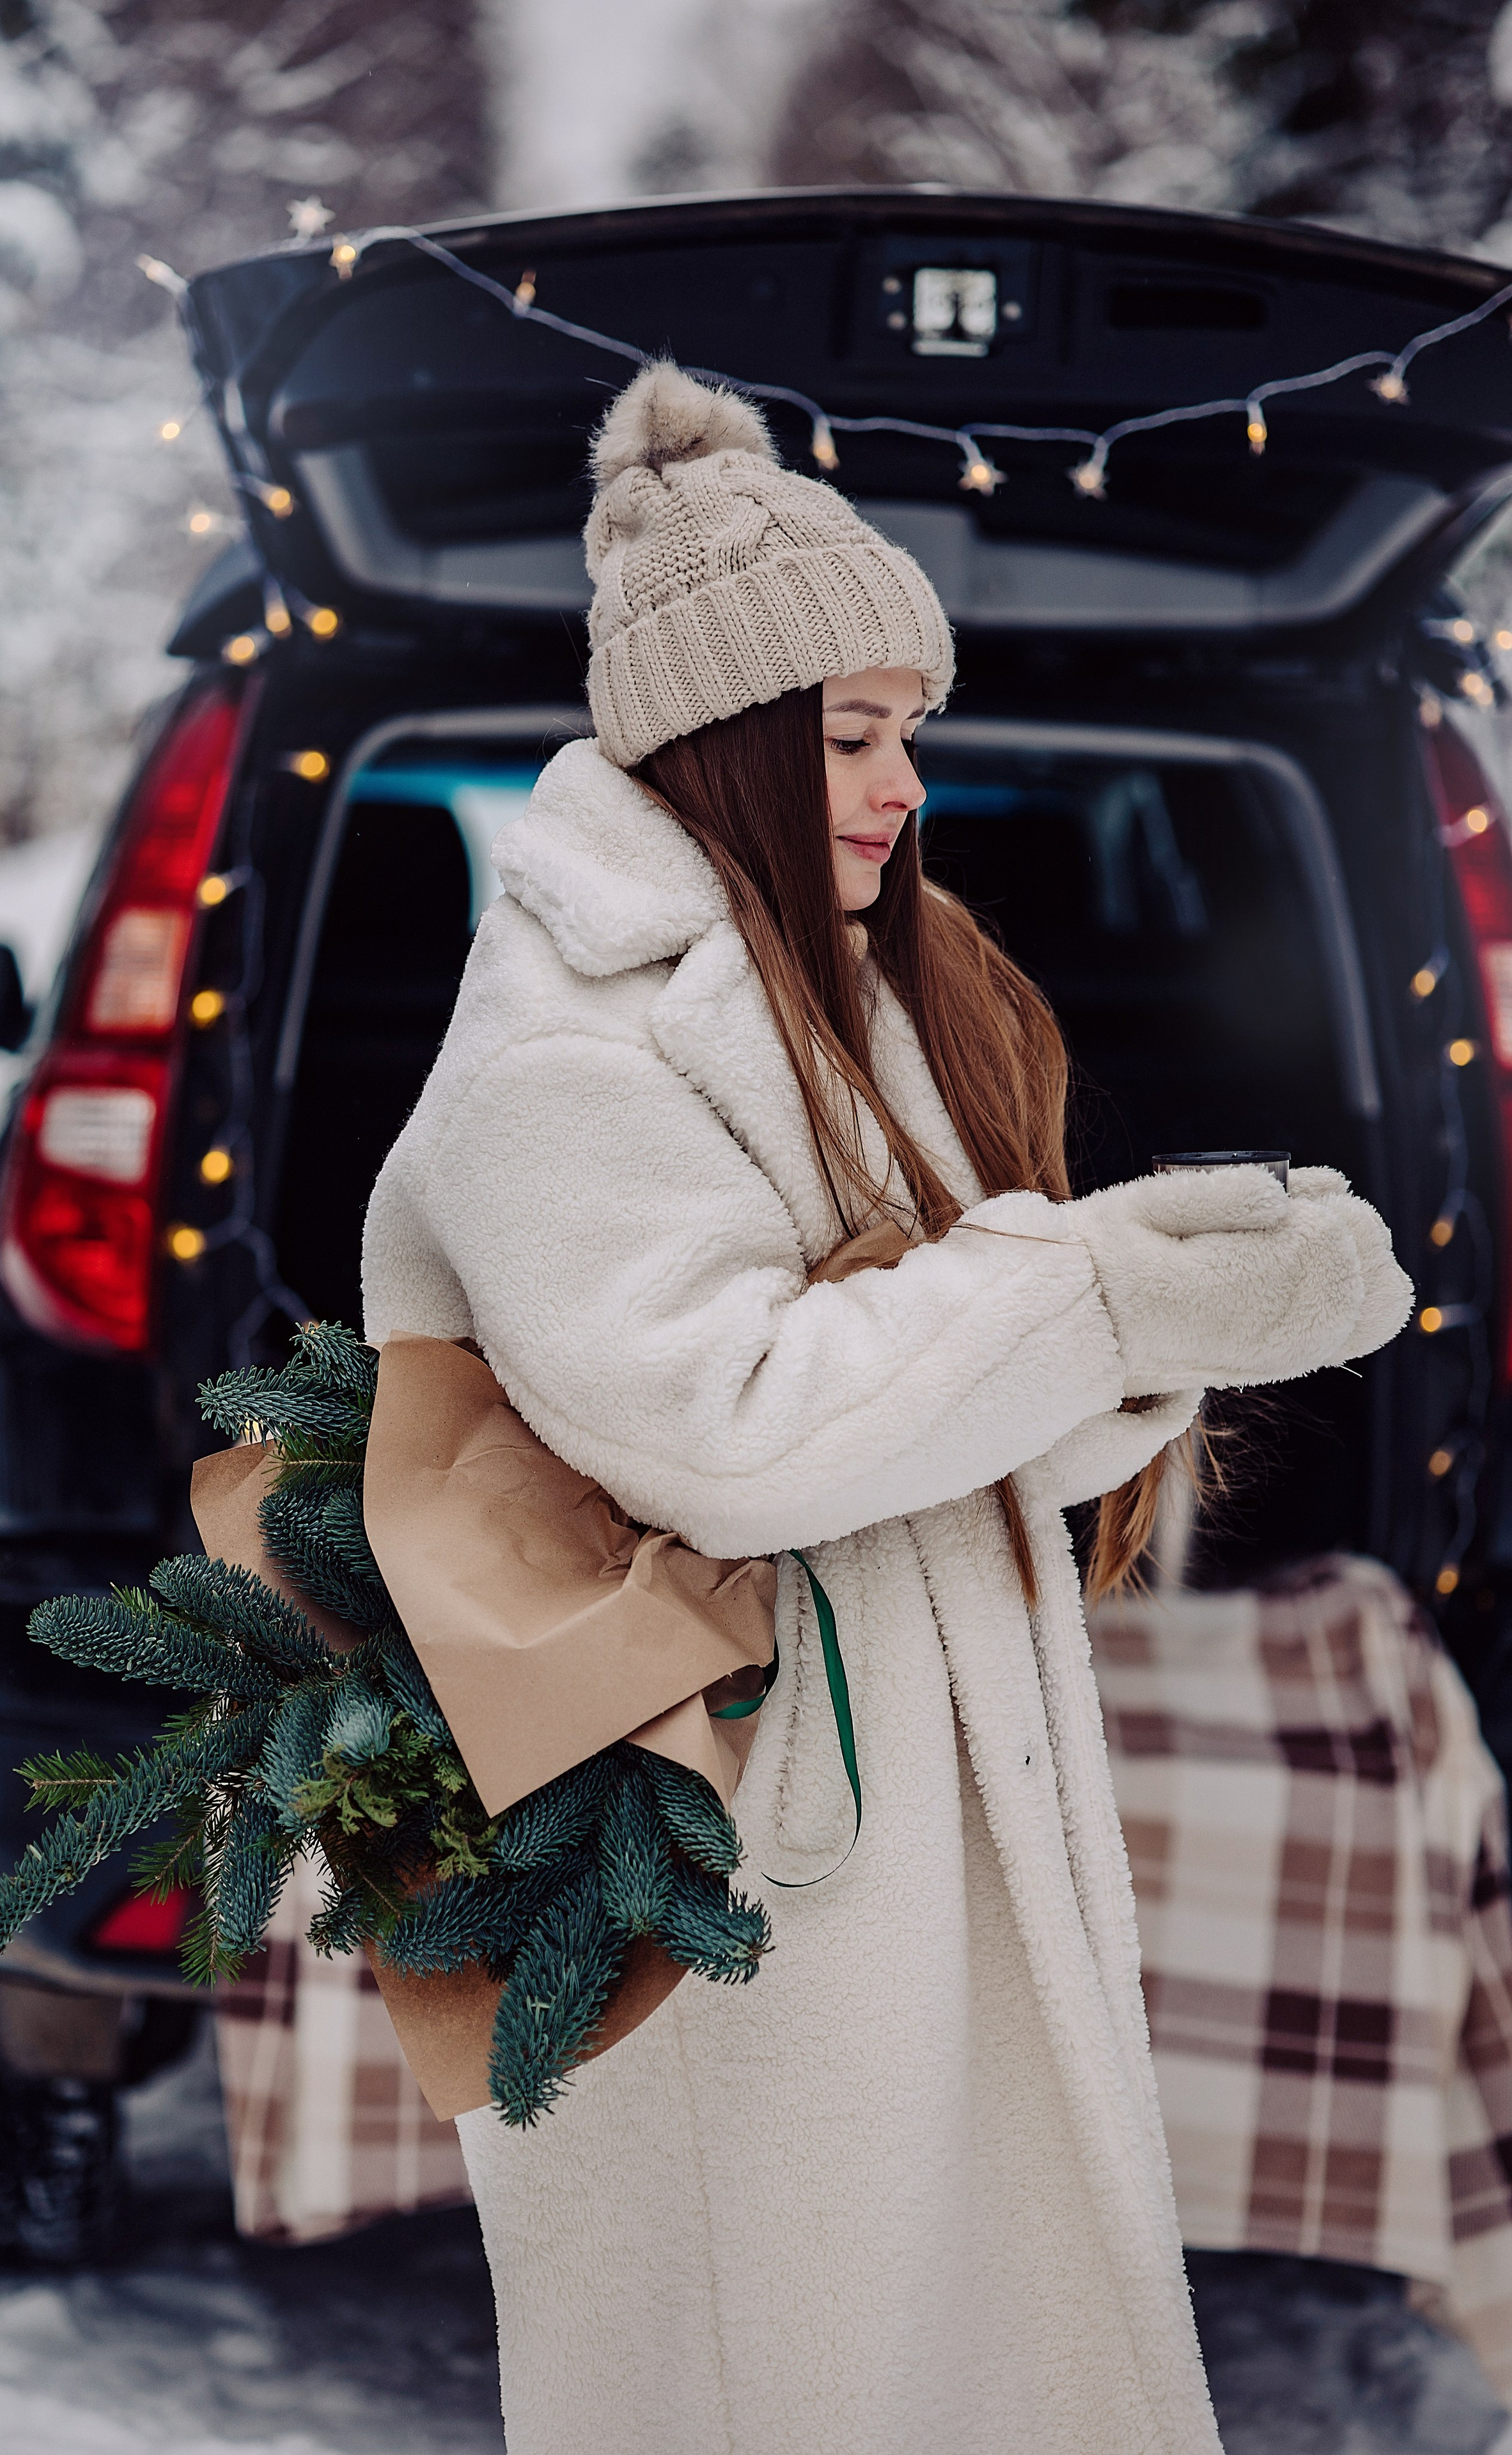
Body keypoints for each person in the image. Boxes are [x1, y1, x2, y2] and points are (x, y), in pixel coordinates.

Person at [361, 362, 1412, 2455]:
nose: (898, 785)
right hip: (737, 1858)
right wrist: (1085, 1282)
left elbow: (945, 1385)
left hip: (899, 1815)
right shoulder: (563, 1056)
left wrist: (1151, 1317)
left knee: (945, 2361)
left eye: (906, 733)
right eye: (853, 735)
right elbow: (736, 1421)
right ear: (726, 741)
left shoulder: (829, 996)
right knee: (791, 2377)